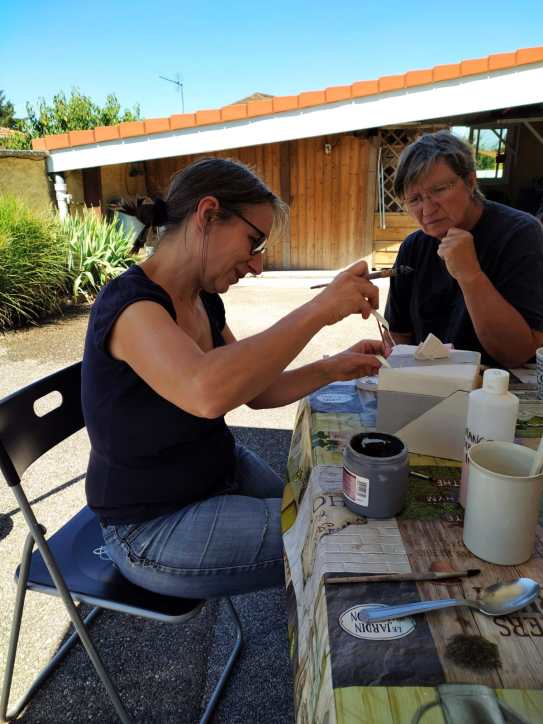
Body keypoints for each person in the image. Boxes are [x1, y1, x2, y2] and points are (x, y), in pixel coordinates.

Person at [82, 157, 386, 600]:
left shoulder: (202, 299)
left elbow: (255, 390)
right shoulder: (131, 306)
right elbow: (206, 391)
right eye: (253, 241)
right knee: (328, 534)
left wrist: (335, 366)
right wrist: (319, 309)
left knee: (325, 501)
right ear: (207, 215)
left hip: (217, 470)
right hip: (151, 524)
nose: (257, 265)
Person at [385, 131, 543, 368]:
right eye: (415, 199)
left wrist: (470, 275)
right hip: (429, 383)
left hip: (501, 384)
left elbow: (518, 353)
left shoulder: (520, 234)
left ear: (470, 181)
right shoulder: (413, 247)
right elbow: (398, 336)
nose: (427, 210)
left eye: (439, 190)